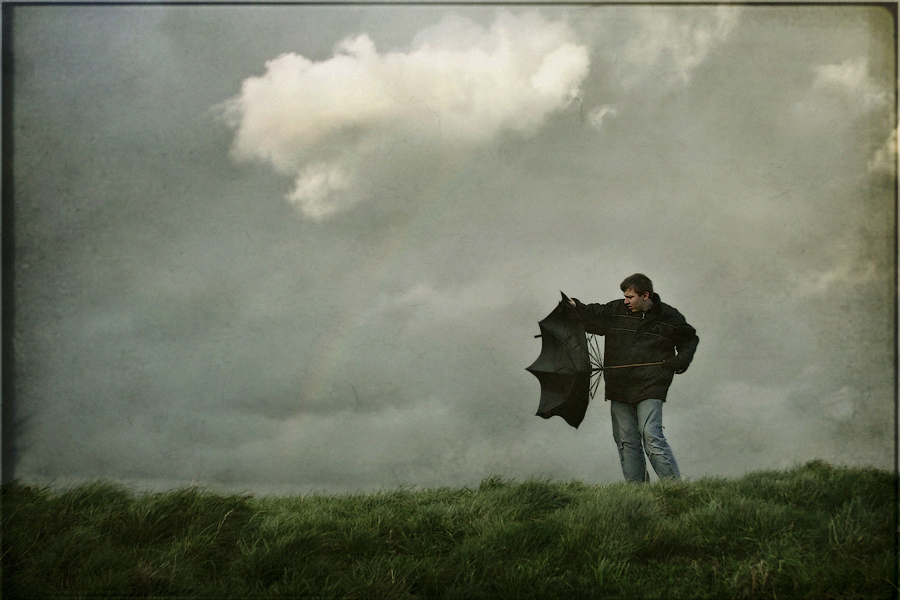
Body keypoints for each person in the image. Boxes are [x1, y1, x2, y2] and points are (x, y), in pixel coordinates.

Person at [567, 273, 698, 482]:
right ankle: (637, 493)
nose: (625, 301)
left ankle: (675, 489)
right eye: (624, 296)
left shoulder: (669, 317)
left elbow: (690, 340)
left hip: (651, 385)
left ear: (646, 295)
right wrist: (574, 305)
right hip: (619, 386)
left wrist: (678, 362)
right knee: (626, 441)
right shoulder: (615, 310)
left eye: (630, 297)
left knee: (651, 435)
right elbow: (593, 314)